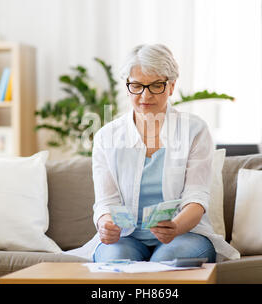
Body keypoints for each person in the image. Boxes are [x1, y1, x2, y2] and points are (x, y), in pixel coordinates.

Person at [91, 44, 239, 263]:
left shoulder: (194, 130)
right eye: (137, 86)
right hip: (127, 238)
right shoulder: (106, 137)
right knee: (116, 260)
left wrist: (176, 227)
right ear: (127, 86)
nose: (145, 95)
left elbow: (196, 199)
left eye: (156, 86)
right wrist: (105, 223)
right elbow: (105, 202)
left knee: (166, 261)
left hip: (185, 234)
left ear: (171, 86)